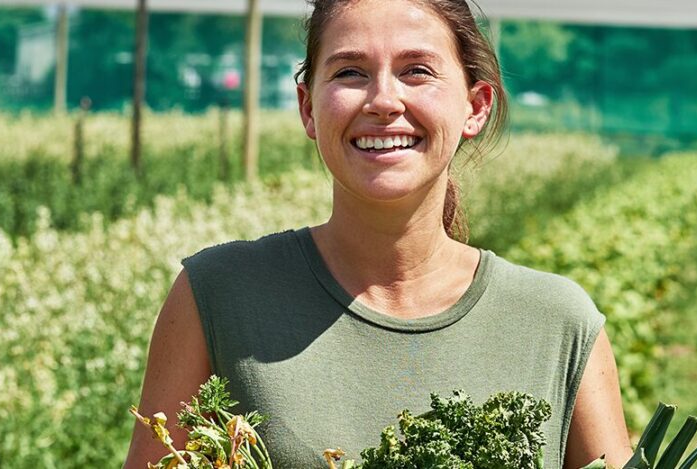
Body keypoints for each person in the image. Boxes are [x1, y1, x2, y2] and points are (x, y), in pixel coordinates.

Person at [123, 0, 632, 467]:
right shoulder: (217, 295)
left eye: (417, 71)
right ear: (307, 107)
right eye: (350, 72)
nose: (384, 100)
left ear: (475, 106)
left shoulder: (558, 323)